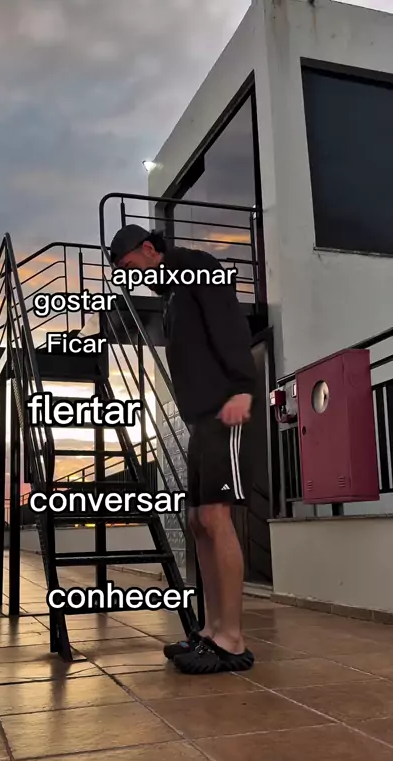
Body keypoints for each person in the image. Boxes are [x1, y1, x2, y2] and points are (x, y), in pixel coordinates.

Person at [109, 223, 257, 675]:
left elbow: (230, 326)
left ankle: (232, 639)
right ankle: (211, 631)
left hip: (224, 408)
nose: (129, 275)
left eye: (129, 265)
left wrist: (242, 386)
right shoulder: (173, 291)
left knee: (215, 517)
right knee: (196, 521)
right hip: (200, 418)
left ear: (149, 248)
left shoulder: (198, 267)